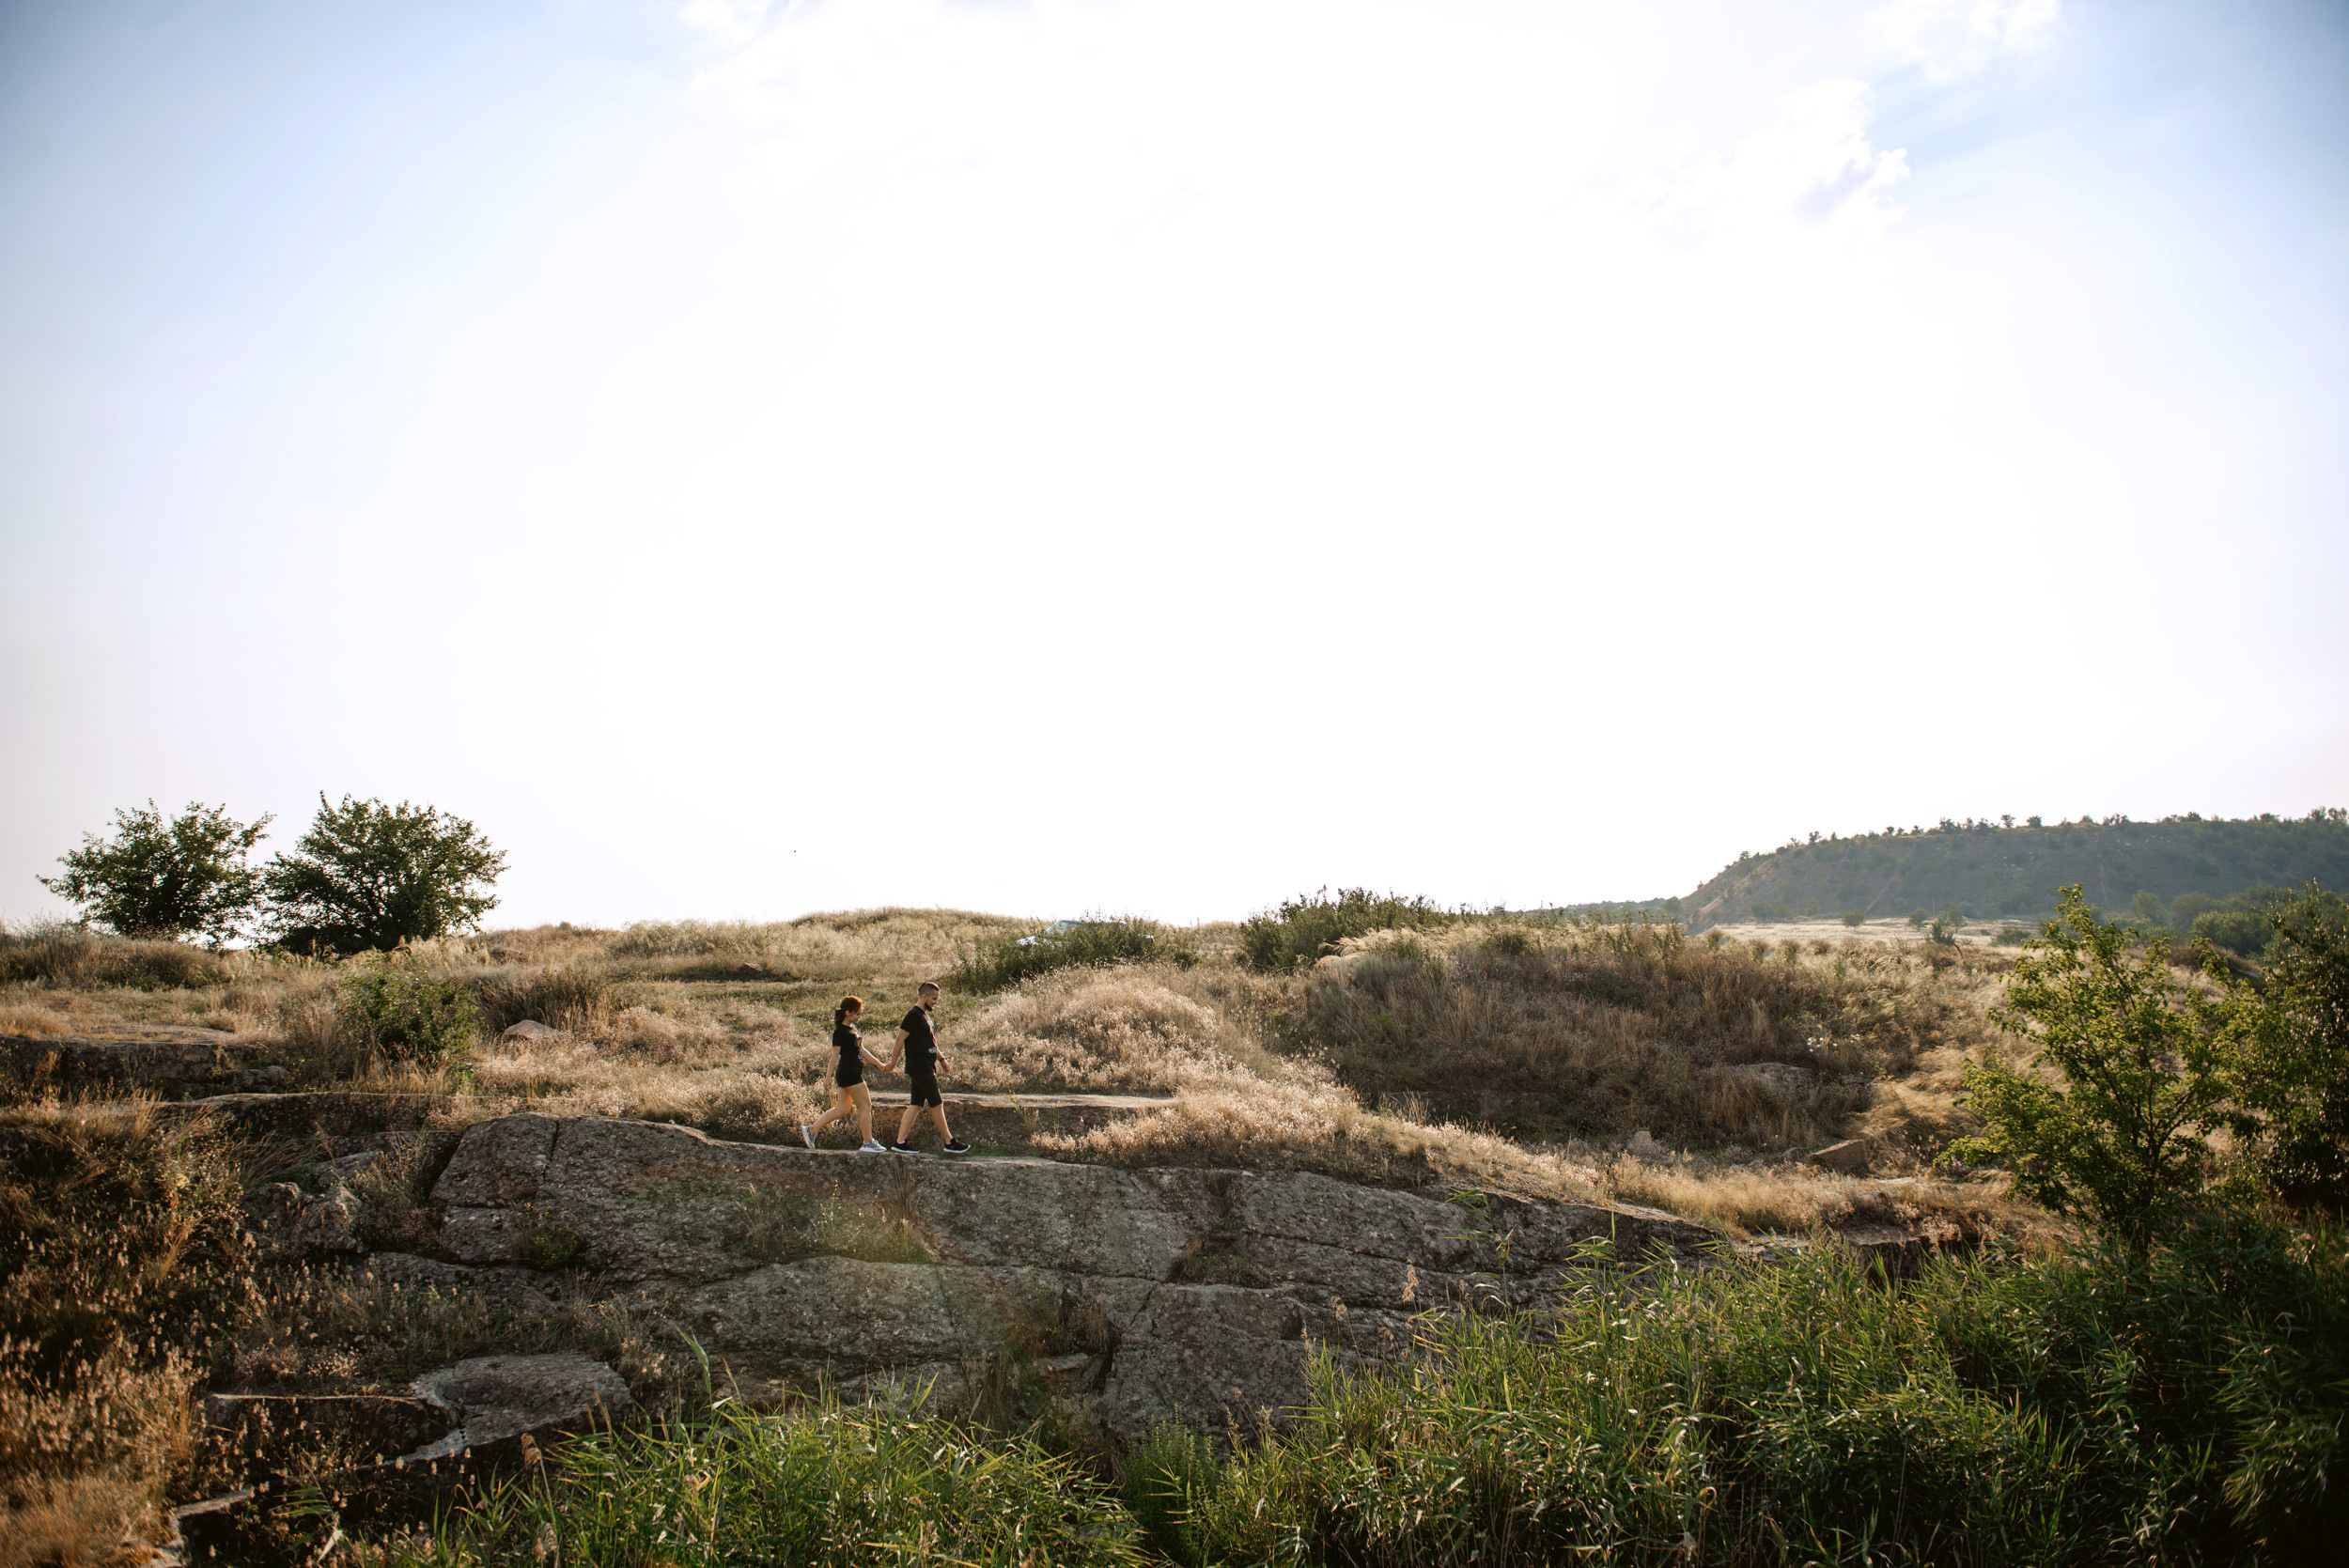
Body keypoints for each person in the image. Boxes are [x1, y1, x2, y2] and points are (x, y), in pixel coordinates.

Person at [801, 995, 891, 1153]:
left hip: (851, 1072)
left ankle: (811, 1130)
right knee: (865, 1106)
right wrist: (828, 1077)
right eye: (857, 1014)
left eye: (860, 1014)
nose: (859, 1017)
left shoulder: (853, 1030)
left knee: (842, 1110)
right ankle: (868, 1142)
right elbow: (834, 1056)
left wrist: (879, 1065)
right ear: (848, 1012)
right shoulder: (840, 1032)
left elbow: (862, 1050)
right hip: (849, 1073)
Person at [887, 981, 968, 1154]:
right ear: (924, 996)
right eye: (934, 999)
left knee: (916, 1104)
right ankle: (949, 1142)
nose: (935, 1002)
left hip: (926, 1065)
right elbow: (900, 1038)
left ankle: (899, 1143)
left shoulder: (924, 1016)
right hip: (920, 1067)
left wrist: (942, 1059)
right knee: (937, 1103)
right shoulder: (914, 1015)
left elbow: (931, 1043)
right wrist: (893, 1063)